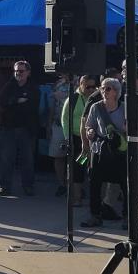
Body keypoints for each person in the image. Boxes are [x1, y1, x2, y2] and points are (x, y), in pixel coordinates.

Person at [80, 78, 128, 228]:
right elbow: (89, 126)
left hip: (119, 151)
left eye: (107, 89)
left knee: (126, 185)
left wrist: (127, 130)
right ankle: (95, 216)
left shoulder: (125, 108)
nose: (103, 91)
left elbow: (132, 130)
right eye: (102, 88)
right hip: (100, 151)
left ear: (116, 92)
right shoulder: (96, 107)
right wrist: (90, 132)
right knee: (94, 184)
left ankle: (128, 218)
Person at [0, 61, 40, 197]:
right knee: (6, 159)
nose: (18, 73)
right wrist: (17, 101)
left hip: (26, 129)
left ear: (28, 72)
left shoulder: (33, 88)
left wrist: (13, 104)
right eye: (16, 71)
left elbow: (32, 107)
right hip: (8, 128)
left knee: (27, 159)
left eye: (21, 71)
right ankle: (4, 187)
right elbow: (2, 102)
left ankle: (28, 186)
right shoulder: (9, 86)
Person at [60, 75, 97, 207]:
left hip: (95, 140)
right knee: (78, 168)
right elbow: (64, 119)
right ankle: (77, 197)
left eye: (93, 86)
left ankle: (99, 200)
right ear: (81, 84)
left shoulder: (97, 97)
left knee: (95, 168)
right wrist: (67, 137)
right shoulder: (73, 99)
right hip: (77, 140)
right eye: (88, 87)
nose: (91, 89)